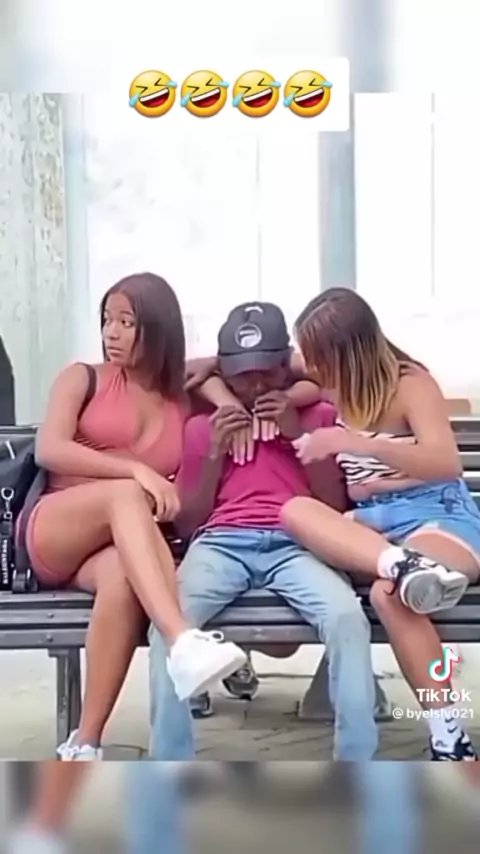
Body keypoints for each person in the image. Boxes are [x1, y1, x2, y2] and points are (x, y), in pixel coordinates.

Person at [21, 272, 249, 762]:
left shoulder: (182, 400)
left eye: (127, 322)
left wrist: (222, 396)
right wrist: (136, 469)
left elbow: (265, 366)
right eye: (107, 320)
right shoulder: (83, 378)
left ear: (158, 329)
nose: (111, 332)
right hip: (56, 530)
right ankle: (181, 641)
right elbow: (49, 448)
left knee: (124, 581)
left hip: (118, 547)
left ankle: (84, 743)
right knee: (126, 494)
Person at [149, 301, 378, 762]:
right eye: (242, 377)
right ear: (225, 374)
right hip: (222, 542)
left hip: (298, 544)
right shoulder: (202, 427)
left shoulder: (317, 417)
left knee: (347, 619)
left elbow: (333, 507)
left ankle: (356, 763)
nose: (255, 387)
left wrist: (297, 435)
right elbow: (190, 524)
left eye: (267, 374)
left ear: (285, 366)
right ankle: (169, 763)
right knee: (168, 626)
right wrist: (213, 454)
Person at [280, 287, 480, 761]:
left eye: (319, 356)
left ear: (348, 351)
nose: (311, 366)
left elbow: (445, 463)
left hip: (436, 515)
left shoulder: (410, 384)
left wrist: (356, 444)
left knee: (388, 596)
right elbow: (270, 361)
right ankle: (400, 565)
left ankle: (449, 738)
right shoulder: (328, 378)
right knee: (294, 511)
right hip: (374, 527)